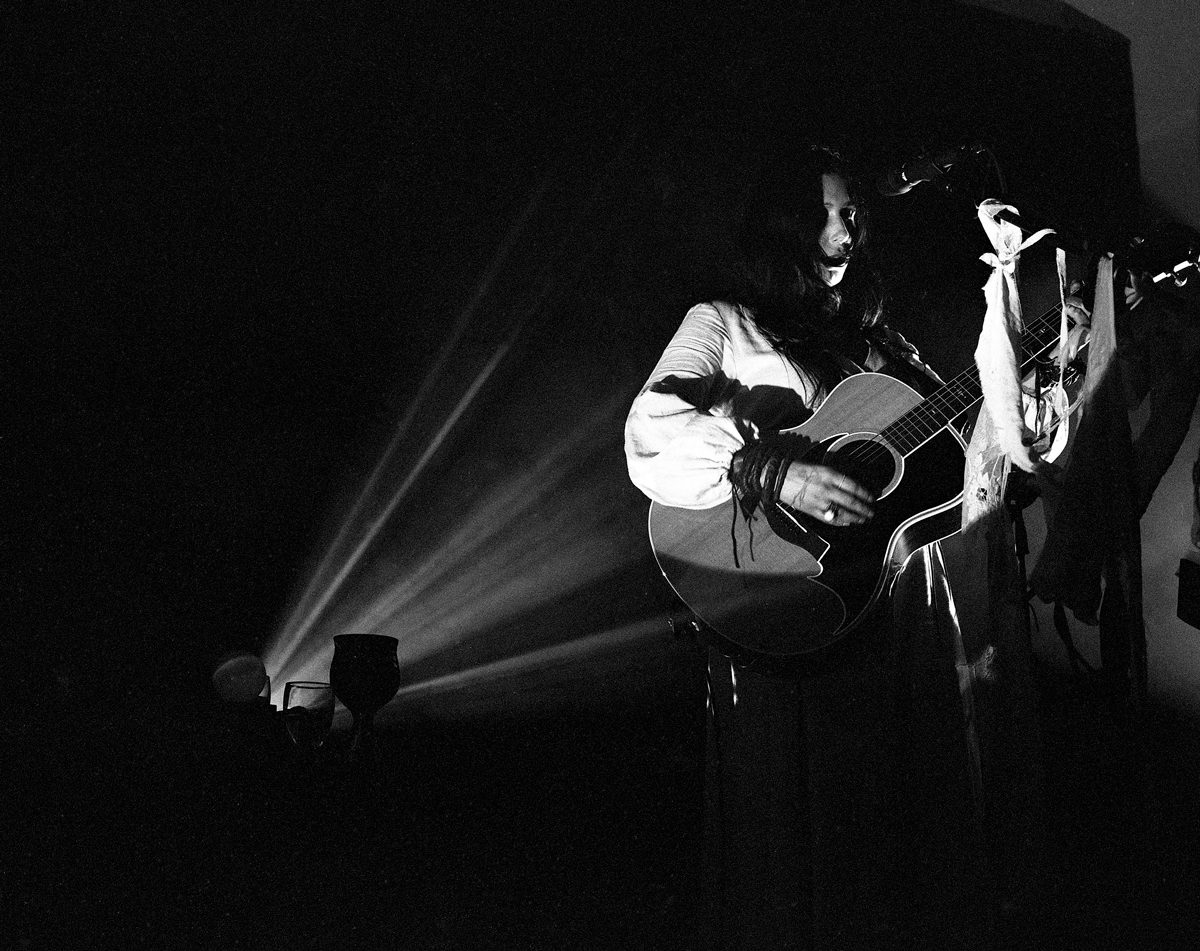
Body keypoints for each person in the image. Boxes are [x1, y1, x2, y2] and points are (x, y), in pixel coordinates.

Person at [624, 146, 983, 951]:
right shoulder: (722, 323)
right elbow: (649, 430)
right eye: (827, 209)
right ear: (787, 223)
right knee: (785, 827)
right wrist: (767, 466)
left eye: (853, 209)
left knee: (879, 834)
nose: (848, 224)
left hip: (883, 615)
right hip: (776, 603)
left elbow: (946, 469)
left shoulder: (878, 348)